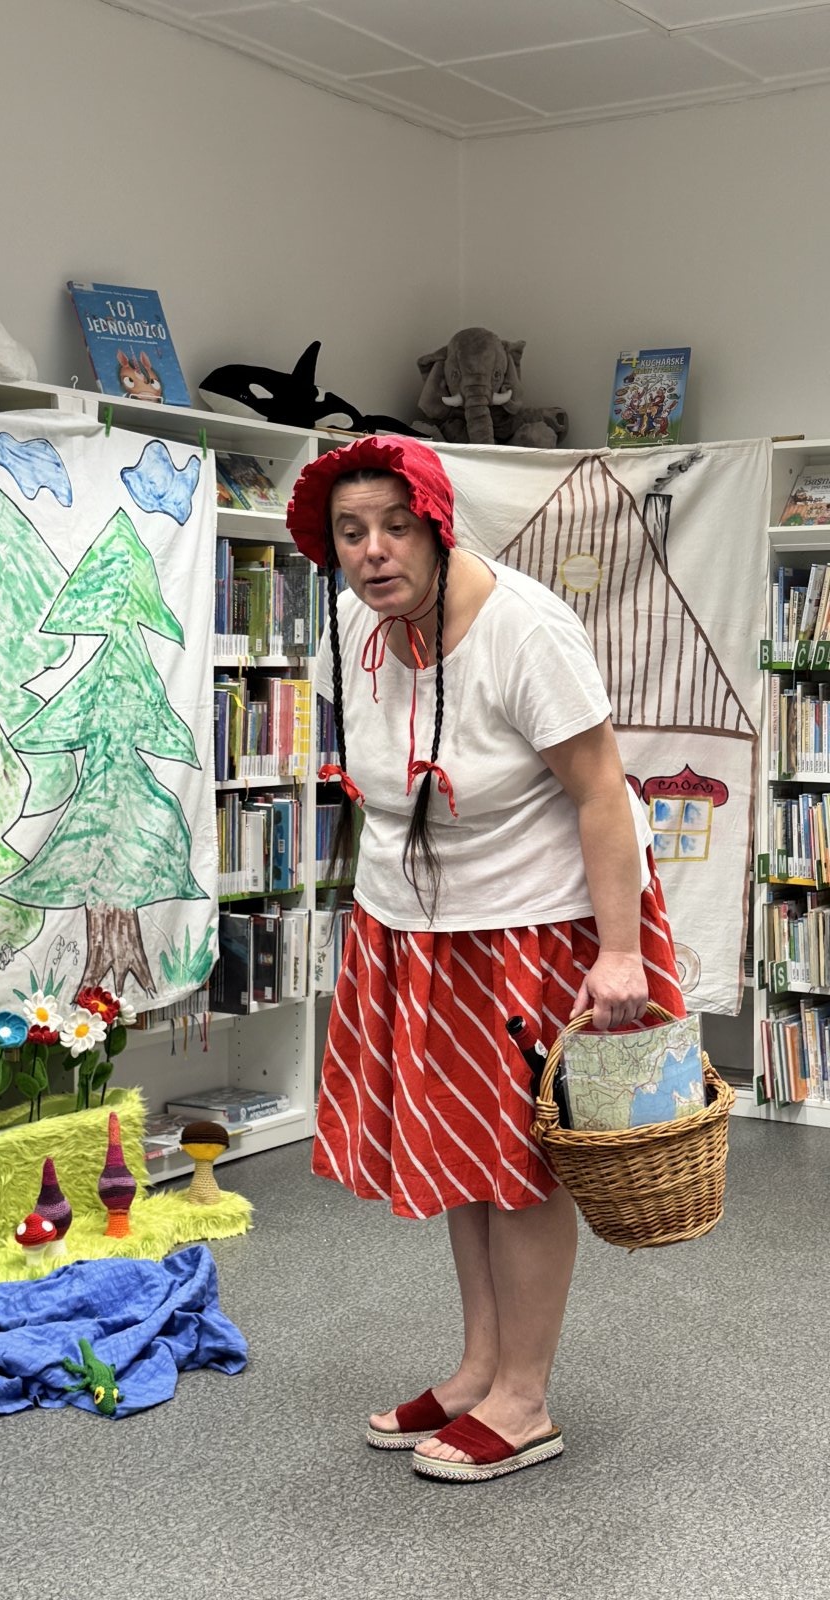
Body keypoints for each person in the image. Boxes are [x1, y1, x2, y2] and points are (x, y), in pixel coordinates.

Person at [285, 435, 684, 1483]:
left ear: (435, 525)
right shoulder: (353, 619)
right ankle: (477, 1370)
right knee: (464, 1157)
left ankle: (525, 1398)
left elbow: (601, 793)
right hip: (414, 927)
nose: (373, 551)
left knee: (520, 1165)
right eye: (350, 533)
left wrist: (620, 952)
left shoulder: (524, 628)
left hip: (531, 929)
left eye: (394, 526)